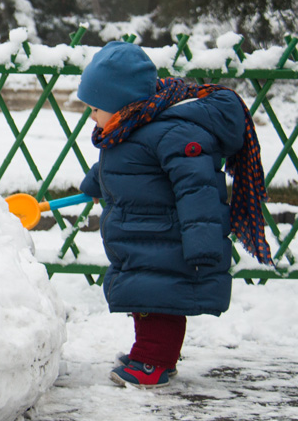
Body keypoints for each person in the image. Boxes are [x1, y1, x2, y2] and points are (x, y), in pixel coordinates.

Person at [77, 41, 273, 388]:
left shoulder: (172, 133)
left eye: (95, 108)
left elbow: (197, 190)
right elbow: (121, 166)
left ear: (122, 103)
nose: (91, 116)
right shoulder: (132, 128)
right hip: (143, 236)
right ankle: (149, 354)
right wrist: (94, 183)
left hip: (167, 239)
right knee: (145, 296)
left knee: (159, 300)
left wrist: (202, 243)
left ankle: (154, 362)